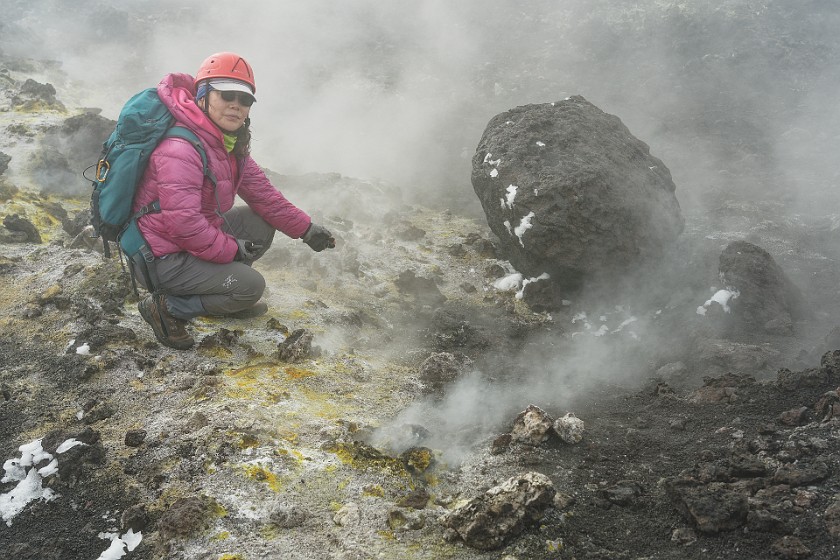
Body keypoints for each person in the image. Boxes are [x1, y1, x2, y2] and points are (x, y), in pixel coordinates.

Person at [132, 52, 335, 350]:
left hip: (187, 243)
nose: (235, 105)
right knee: (252, 286)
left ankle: (222, 292)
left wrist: (306, 229)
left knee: (259, 222)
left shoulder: (227, 144)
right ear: (203, 95)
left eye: (245, 100)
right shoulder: (181, 149)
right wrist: (230, 250)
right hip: (161, 258)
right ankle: (167, 307)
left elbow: (266, 198)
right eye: (226, 95)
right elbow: (183, 224)